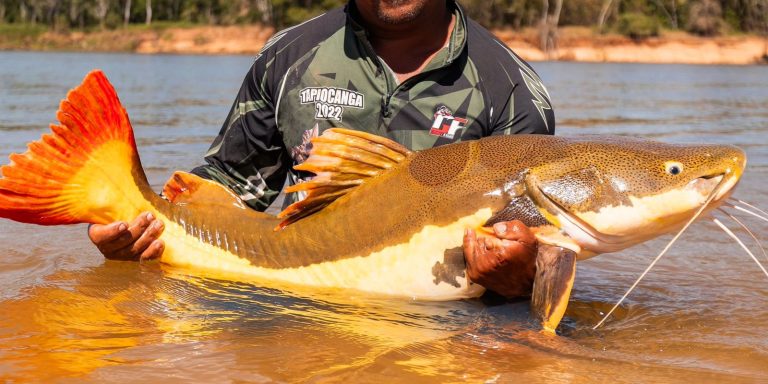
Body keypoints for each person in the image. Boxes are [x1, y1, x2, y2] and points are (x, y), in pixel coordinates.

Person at [88, 0, 555, 299]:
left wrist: (528, 276)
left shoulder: (510, 88)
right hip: (295, 297)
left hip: (444, 325)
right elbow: (232, 184)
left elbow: (545, 243)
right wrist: (137, 228)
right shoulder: (289, 56)